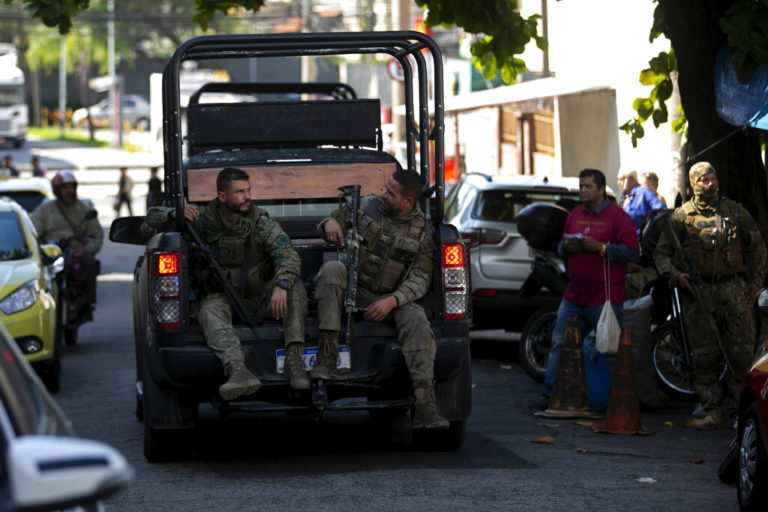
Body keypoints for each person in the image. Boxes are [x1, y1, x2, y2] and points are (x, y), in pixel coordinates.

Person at [140, 167, 310, 399]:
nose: (247, 196)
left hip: (260, 299)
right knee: (209, 310)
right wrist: (173, 214)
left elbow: (287, 253)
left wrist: (281, 285)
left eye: (248, 190)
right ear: (222, 196)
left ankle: (294, 362)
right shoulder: (202, 220)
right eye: (239, 192)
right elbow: (147, 224)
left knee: (295, 287)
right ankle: (238, 371)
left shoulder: (259, 221)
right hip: (224, 301)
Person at [312, 169, 448, 430]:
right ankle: (326, 358)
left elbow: (421, 278)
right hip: (349, 288)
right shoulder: (364, 205)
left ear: (408, 202)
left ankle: (425, 407)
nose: (383, 194)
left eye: (391, 193)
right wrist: (328, 224)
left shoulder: (422, 232)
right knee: (331, 269)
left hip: (389, 299)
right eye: (386, 188)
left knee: (417, 319)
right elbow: (328, 221)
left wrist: (393, 301)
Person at [653, 161, 767, 429]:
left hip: (735, 291)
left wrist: (755, 283)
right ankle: (712, 409)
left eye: (713, 176)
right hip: (699, 292)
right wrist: (676, 275)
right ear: (694, 182)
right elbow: (661, 254)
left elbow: (758, 249)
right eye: (704, 179)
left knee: (741, 353)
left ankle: (740, 411)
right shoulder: (681, 218)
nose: (711, 182)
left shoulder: (735, 212)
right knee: (704, 354)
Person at [532, 168, 640, 411]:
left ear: (601, 190)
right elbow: (561, 247)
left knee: (607, 348)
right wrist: (566, 247)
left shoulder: (618, 218)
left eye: (588, 186)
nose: (582, 190)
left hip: (605, 298)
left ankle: (610, 402)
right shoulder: (574, 215)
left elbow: (633, 252)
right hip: (574, 296)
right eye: (581, 186)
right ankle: (551, 396)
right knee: (559, 343)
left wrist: (602, 248)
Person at [31, 170, 103, 308]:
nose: (69, 191)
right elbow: (33, 230)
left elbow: (96, 235)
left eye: (71, 187)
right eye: (65, 187)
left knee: (90, 263)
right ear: (57, 189)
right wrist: (42, 246)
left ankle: (86, 303)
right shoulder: (45, 209)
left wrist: (86, 250)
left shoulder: (84, 208)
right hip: (52, 255)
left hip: (77, 254)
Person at [617, 169, 666, 236]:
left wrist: (647, 233)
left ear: (632, 180)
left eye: (622, 179)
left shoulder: (643, 192)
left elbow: (661, 211)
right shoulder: (627, 199)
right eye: (618, 180)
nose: (618, 183)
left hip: (640, 241)